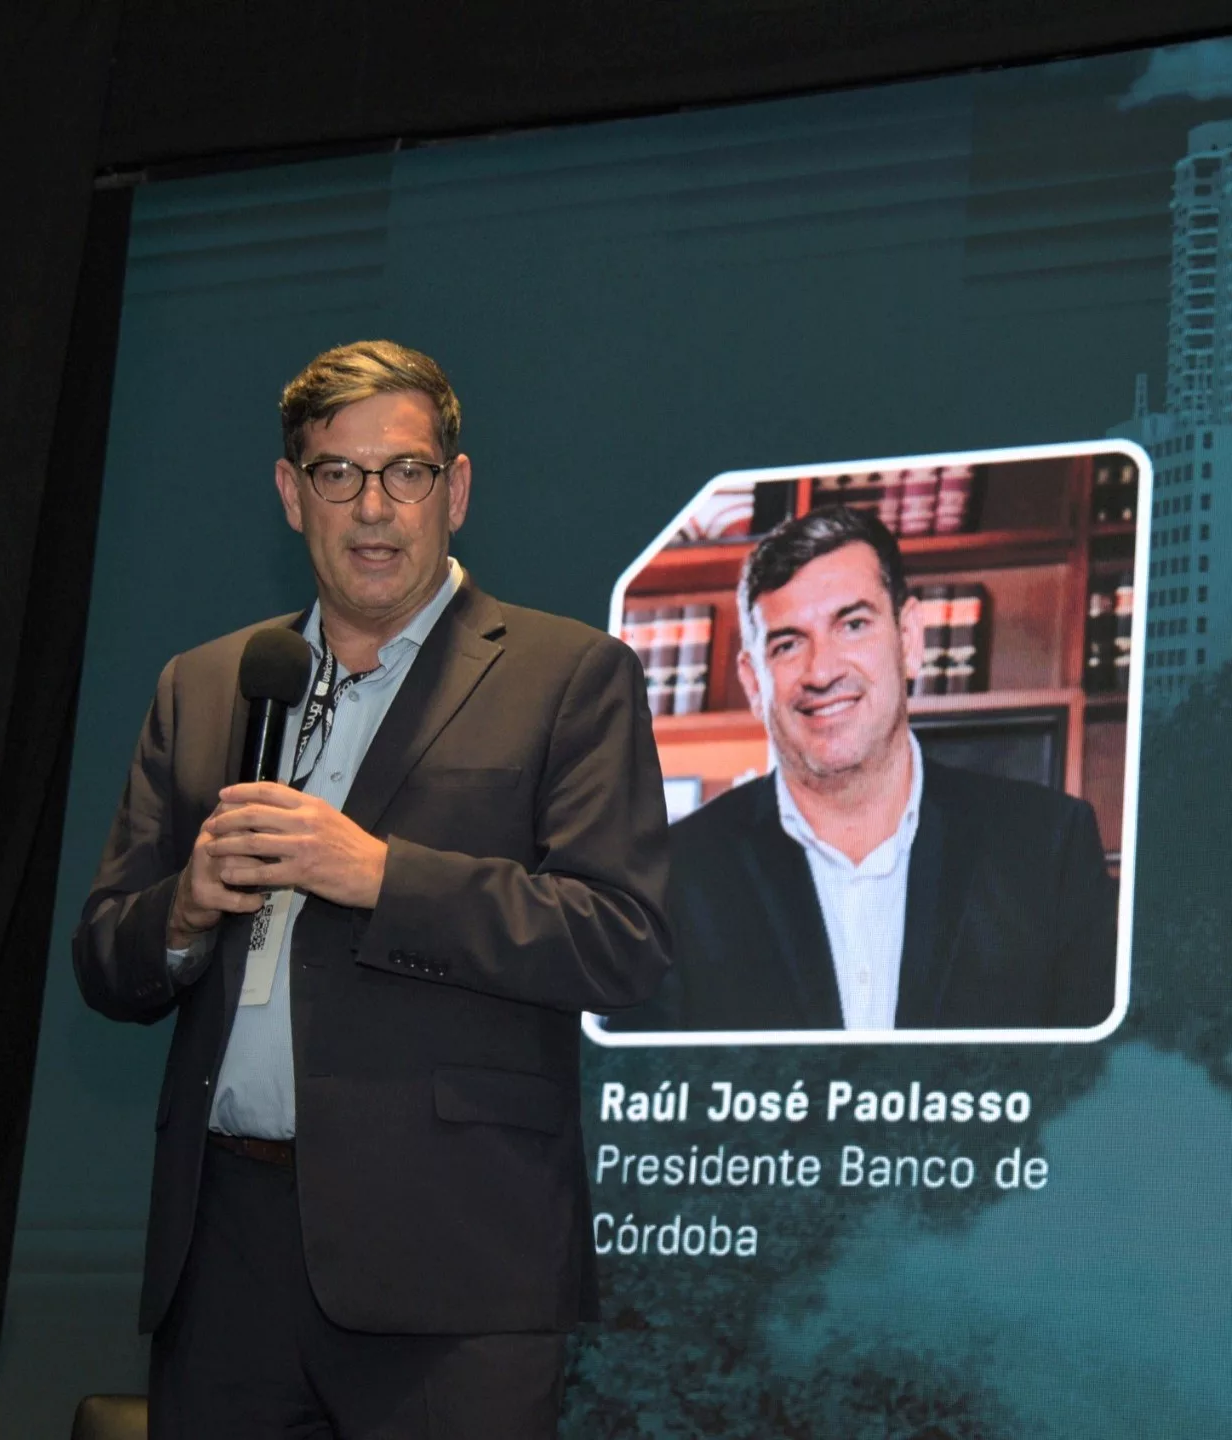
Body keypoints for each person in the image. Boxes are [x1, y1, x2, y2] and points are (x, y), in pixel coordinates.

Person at [72, 340, 670, 1439]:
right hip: (225, 1252)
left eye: (406, 472)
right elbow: (108, 955)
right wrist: (185, 910)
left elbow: (617, 937)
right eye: (338, 474)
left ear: (457, 488)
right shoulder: (206, 684)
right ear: (290, 493)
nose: (374, 508)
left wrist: (382, 877)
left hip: (453, 1263)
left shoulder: (567, 675)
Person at [618, 505, 1116, 1034]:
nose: (822, 671)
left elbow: (1103, 1078)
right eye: (788, 644)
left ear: (910, 640)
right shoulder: (668, 880)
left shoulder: (1049, 848)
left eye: (853, 625)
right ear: (754, 681)